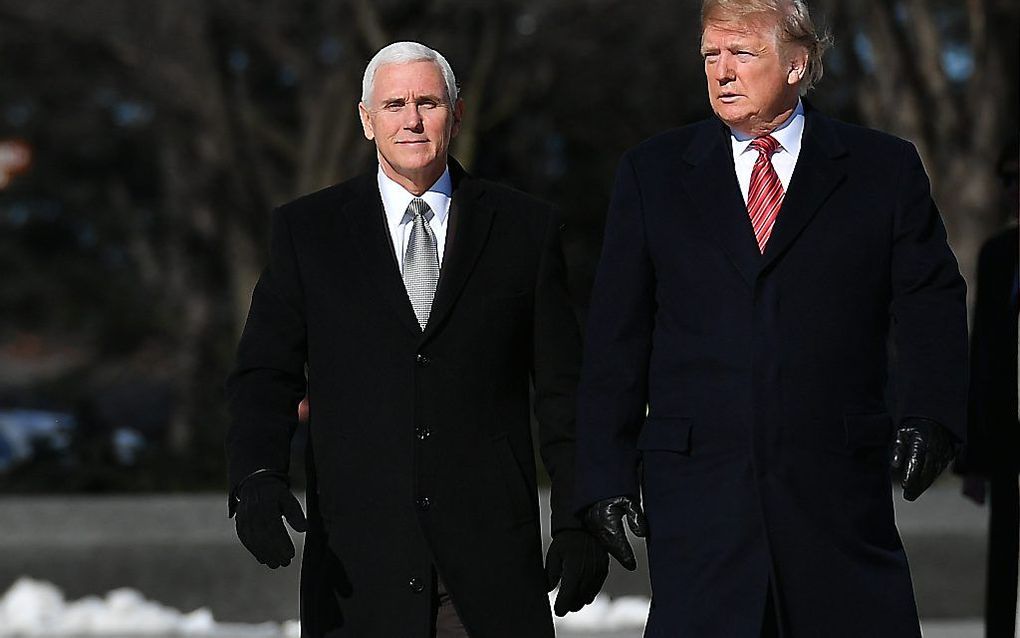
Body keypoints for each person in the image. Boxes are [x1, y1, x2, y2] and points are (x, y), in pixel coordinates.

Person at [573, 1, 968, 636]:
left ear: (796, 63)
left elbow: (932, 301)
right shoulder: (653, 173)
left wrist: (933, 414)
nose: (721, 71)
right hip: (699, 503)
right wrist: (602, 476)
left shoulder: (880, 168)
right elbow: (617, 337)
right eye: (710, 55)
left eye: (741, 54)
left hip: (836, 500)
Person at [225, 41, 607, 638]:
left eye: (428, 102)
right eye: (395, 103)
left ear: (455, 116)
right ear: (366, 119)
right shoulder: (309, 232)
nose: (411, 119)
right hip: (359, 567)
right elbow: (264, 376)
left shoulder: (523, 229)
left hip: (488, 565)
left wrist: (578, 516)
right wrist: (255, 476)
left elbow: (563, 390)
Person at [958, 139, 1018, 638]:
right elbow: (985, 358)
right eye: (1009, 180)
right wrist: (974, 458)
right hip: (1008, 439)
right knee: (1005, 561)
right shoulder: (999, 255)